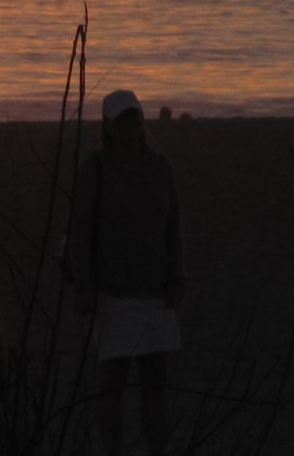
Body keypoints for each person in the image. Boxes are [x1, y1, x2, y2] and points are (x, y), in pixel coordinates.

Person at [69, 89, 184, 456]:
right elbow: (80, 231)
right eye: (122, 119)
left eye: (134, 117)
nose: (130, 125)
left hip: (155, 291)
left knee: (155, 385)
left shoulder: (160, 167)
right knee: (111, 386)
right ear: (108, 126)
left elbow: (173, 227)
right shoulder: (95, 170)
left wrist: (176, 274)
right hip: (113, 294)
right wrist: (84, 285)